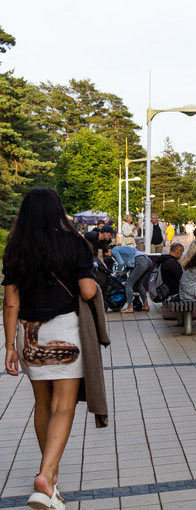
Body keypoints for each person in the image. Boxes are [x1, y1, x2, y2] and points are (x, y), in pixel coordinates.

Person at [3, 188, 108, 509]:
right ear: (57, 212)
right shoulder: (74, 244)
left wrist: (9, 347)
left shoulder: (15, 248)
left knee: (42, 404)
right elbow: (88, 291)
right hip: (65, 333)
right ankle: (46, 477)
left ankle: (50, 479)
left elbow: (10, 302)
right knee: (64, 406)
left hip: (28, 335)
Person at [107, 244, 154, 314]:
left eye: (107, 254)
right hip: (148, 260)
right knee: (139, 284)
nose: (108, 256)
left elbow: (121, 262)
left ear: (109, 250)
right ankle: (145, 305)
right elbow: (131, 264)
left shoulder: (114, 250)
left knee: (128, 284)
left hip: (141, 262)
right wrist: (122, 272)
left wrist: (117, 273)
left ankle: (129, 307)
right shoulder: (123, 249)